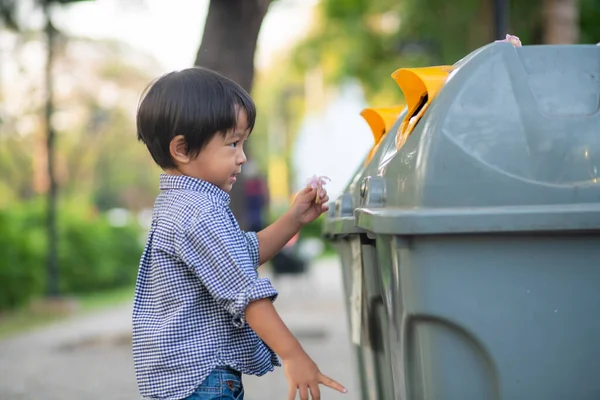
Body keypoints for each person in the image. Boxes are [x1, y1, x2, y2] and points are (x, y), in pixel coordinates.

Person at [132, 67, 347, 400]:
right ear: (182, 149)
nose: (242, 157)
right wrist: (292, 354)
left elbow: (240, 256)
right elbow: (243, 289)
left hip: (183, 379)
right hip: (201, 380)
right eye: (233, 143)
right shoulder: (199, 213)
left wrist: (293, 219)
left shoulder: (178, 204)